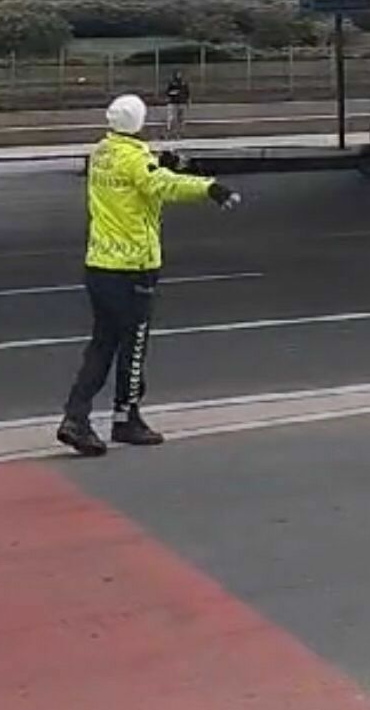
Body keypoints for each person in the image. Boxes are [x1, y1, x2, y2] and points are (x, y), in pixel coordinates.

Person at [57, 94, 240, 458]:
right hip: (133, 268)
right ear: (139, 122)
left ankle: (76, 417)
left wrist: (160, 163)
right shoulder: (135, 159)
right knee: (134, 345)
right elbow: (162, 185)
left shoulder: (101, 153)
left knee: (102, 344)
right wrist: (210, 187)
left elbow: (140, 179)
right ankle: (127, 418)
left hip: (100, 264)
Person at [165, 69, 191, 138]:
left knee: (181, 119)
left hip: (181, 102)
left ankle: (180, 133)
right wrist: (173, 93)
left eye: (179, 74)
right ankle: (169, 132)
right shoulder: (172, 83)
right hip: (173, 102)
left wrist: (187, 101)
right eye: (177, 74)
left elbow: (187, 93)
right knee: (171, 118)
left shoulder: (184, 83)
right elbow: (168, 92)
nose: (179, 75)